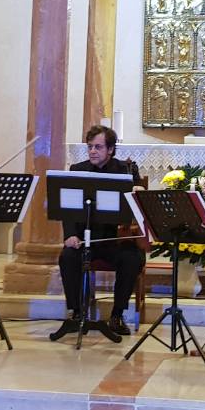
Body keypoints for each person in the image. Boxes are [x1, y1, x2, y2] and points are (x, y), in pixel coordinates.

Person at [54, 124, 146, 338]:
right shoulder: (77, 170)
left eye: (98, 147)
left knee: (131, 258)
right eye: (90, 147)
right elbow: (68, 209)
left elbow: (139, 200)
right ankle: (77, 313)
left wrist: (138, 190)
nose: (93, 151)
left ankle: (117, 315)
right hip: (85, 239)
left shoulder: (125, 170)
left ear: (111, 149)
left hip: (115, 240)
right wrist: (70, 235)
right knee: (68, 256)